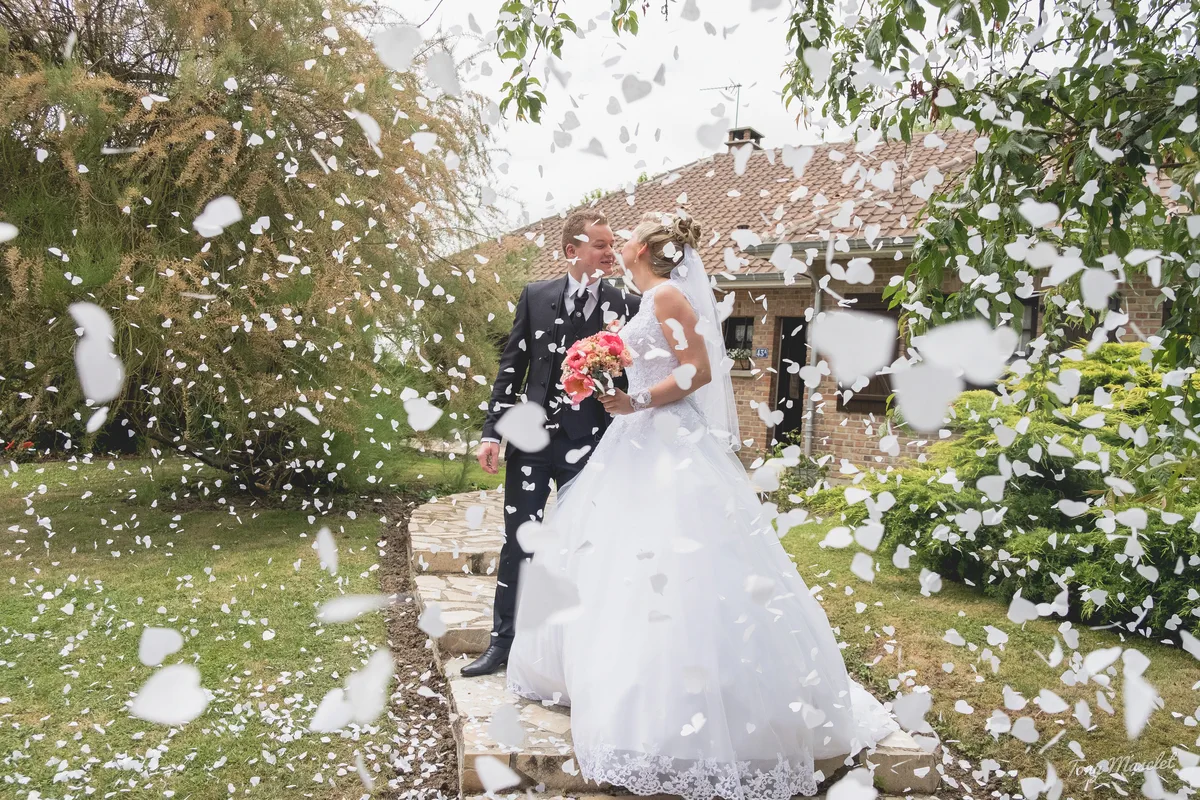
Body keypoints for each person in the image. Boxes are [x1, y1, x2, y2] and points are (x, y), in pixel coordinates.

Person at [505, 212, 898, 799]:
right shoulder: (648, 297)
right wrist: (604, 369)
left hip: (666, 439)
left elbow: (699, 372)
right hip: (637, 441)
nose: (621, 242)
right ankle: (610, 679)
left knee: (676, 561)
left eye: (628, 236)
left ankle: (681, 703)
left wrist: (635, 398)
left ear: (644, 248)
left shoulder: (666, 295)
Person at [466, 209, 641, 678]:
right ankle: (502, 642)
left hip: (592, 446)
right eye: (600, 245)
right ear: (572, 250)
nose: (609, 253)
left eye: (611, 244)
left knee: (582, 546)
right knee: (518, 541)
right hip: (530, 442)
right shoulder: (536, 296)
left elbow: (638, 372)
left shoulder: (626, 303)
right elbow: (512, 368)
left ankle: (571, 653)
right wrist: (491, 432)